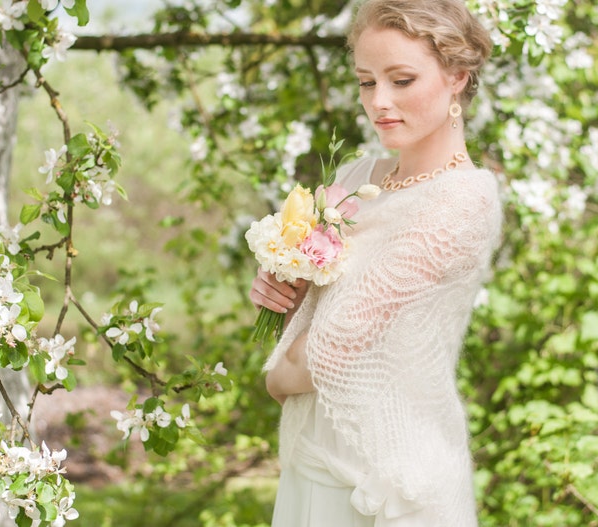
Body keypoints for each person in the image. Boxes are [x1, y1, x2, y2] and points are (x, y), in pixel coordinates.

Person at [248, 0, 501, 525]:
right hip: (313, 465)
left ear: (457, 75)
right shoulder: (362, 174)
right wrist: (283, 287)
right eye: (367, 82)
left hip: (388, 488)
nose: (379, 102)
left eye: (401, 79)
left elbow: (332, 351)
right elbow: (315, 311)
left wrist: (275, 375)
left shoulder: (462, 200)